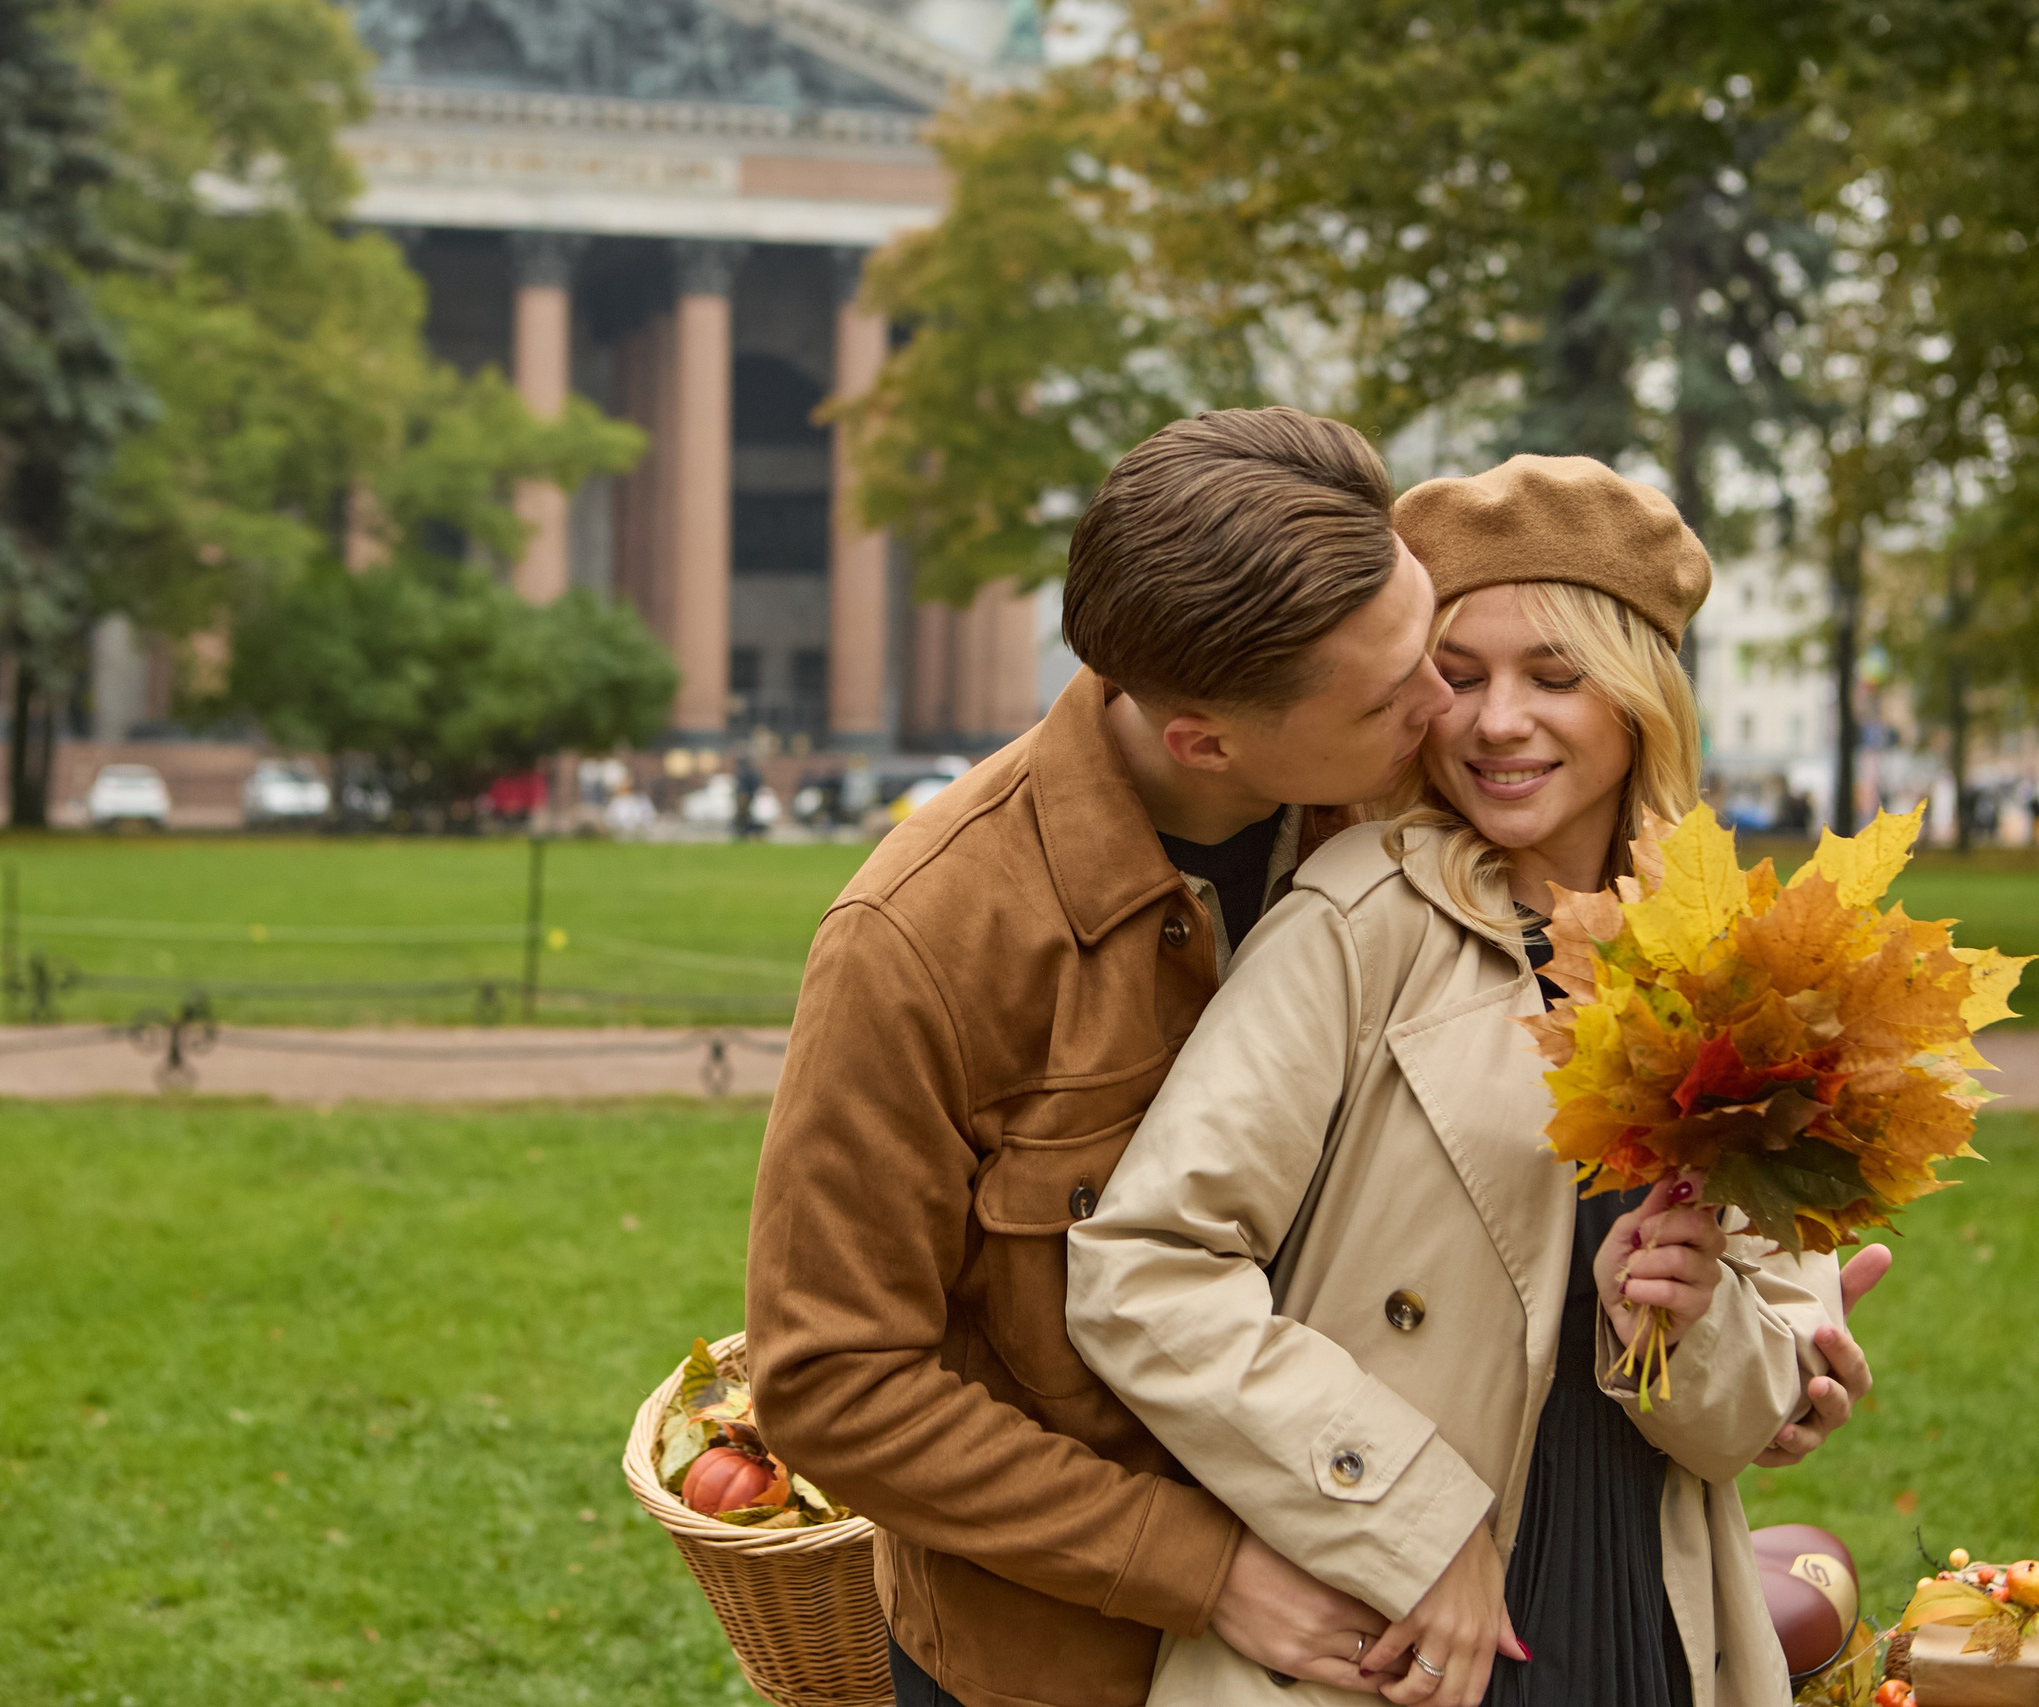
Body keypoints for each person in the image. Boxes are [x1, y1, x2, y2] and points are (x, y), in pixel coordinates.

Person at [747, 416, 1880, 1707]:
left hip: (1518, 1594)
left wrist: (1748, 1344)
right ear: (1209, 742)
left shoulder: (1411, 791)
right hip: (1063, 1638)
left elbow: (1706, 1323)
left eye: (1438, 648)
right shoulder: (929, 939)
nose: (1457, 712)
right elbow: (838, 1376)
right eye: (1421, 678)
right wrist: (1224, 1562)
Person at [1066, 456, 1881, 1707]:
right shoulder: (1356, 926)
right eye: (1458, 677)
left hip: (1642, 1614)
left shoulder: (1736, 965)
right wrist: (1407, 1515)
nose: (1500, 721)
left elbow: (1746, 1421)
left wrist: (1680, 1319)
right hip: (1395, 1624)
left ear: (1639, 700)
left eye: (1555, 677)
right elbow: (1148, 1268)